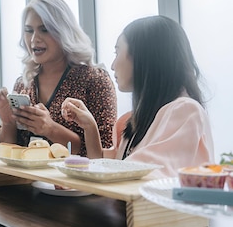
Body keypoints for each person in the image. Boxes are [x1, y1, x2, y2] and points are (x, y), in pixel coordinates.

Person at [0, 0, 117, 227]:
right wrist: (8, 122)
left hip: (70, 212)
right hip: (29, 204)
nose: (34, 38)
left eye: (44, 29)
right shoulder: (24, 84)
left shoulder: (94, 79)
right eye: (28, 30)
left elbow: (103, 155)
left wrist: (50, 129)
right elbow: (8, 152)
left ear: (64, 31)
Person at [62, 15, 214, 175]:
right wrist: (89, 126)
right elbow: (106, 167)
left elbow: (135, 174)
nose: (112, 65)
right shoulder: (137, 119)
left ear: (143, 57)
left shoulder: (185, 110)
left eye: (117, 52)